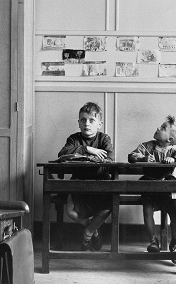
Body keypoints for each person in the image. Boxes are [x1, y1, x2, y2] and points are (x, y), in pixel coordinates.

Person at [128, 115, 176, 262]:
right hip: (149, 186)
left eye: (163, 128)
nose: (158, 128)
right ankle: (153, 241)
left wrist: (174, 160)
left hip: (166, 188)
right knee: (147, 211)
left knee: (175, 217)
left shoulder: (174, 150)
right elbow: (131, 156)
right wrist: (142, 159)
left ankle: (175, 242)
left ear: (169, 140)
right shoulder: (147, 146)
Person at [58, 102, 114, 251]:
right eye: (83, 120)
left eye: (91, 120)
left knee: (108, 207)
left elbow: (109, 159)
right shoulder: (73, 139)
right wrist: (88, 149)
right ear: (78, 122)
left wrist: (83, 157)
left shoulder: (104, 139)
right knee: (70, 211)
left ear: (99, 124)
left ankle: (88, 233)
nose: (86, 124)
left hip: (100, 182)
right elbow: (63, 154)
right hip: (79, 183)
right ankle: (94, 229)